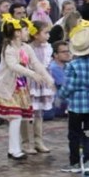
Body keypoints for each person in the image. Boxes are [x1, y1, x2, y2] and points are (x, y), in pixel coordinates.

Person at [0, 15, 54, 161]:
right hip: (8, 87)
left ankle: (14, 149)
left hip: (20, 86)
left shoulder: (26, 47)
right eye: (25, 30)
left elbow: (36, 63)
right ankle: (14, 149)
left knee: (17, 117)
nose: (28, 32)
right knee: (15, 117)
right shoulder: (8, 48)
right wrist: (32, 74)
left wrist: (47, 77)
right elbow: (13, 66)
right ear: (17, 33)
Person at [59, 23, 89, 176]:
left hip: (76, 106)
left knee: (74, 135)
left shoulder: (72, 65)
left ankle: (75, 163)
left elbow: (68, 86)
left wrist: (61, 95)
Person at [24, 20, 55, 155]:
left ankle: (38, 141)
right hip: (30, 81)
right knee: (28, 113)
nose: (48, 35)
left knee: (39, 112)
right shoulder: (27, 48)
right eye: (45, 33)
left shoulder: (47, 48)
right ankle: (26, 142)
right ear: (36, 34)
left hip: (42, 82)